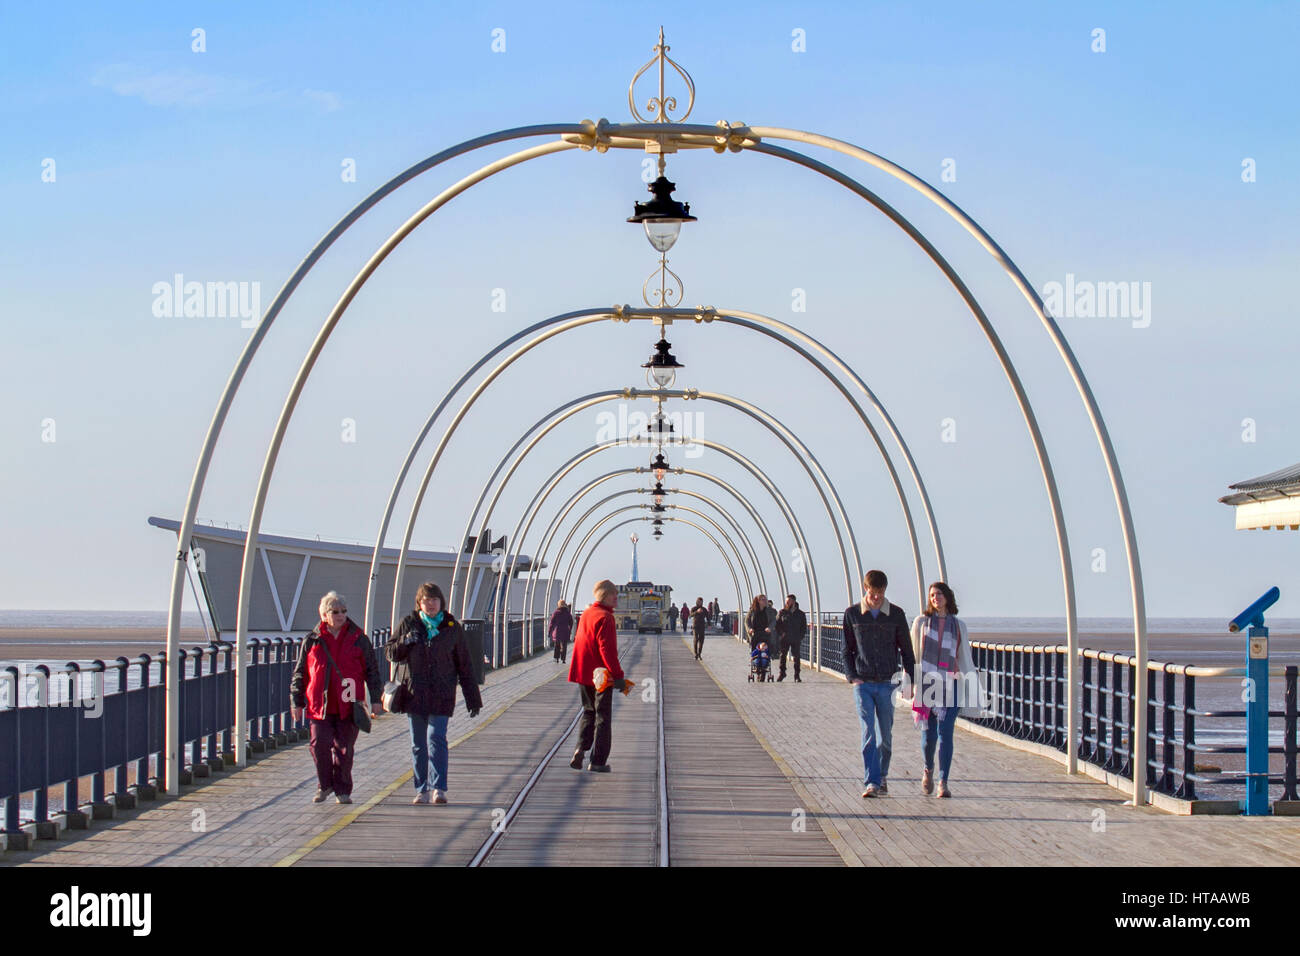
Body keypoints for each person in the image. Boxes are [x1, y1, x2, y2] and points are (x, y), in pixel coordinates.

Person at [387, 582, 482, 805]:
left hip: (442, 693)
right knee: (418, 744)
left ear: (441, 602)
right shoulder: (409, 623)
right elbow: (390, 653)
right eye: (426, 600)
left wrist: (473, 699)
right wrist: (405, 641)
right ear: (419, 603)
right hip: (414, 694)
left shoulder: (451, 627)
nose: (430, 604)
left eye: (434, 600)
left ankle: (438, 788)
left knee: (435, 738)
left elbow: (464, 664)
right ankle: (421, 789)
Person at [290, 591, 384, 805]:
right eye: (335, 612)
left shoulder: (358, 638)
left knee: (344, 749)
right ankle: (325, 785)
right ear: (324, 615)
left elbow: (372, 670)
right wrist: (296, 702)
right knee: (318, 745)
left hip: (349, 704)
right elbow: (300, 673)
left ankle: (343, 790)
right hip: (319, 705)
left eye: (343, 611)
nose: (341, 615)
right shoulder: (312, 640)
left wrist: (376, 699)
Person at [843, 570, 915, 798]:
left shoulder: (896, 614)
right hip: (863, 682)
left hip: (886, 682)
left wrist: (910, 680)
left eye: (880, 593)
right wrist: (852, 676)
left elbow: (906, 650)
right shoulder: (853, 614)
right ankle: (871, 782)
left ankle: (882, 775)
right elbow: (847, 649)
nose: (876, 598)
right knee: (868, 733)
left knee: (885, 736)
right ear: (866, 589)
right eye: (873, 593)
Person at [909, 582, 977, 799]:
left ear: (947, 597)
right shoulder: (921, 623)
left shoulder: (958, 625)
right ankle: (928, 769)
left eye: (939, 594)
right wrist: (909, 683)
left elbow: (965, 656)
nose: (935, 598)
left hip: (951, 683)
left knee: (946, 732)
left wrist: (971, 684)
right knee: (929, 737)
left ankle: (943, 782)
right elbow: (913, 654)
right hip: (927, 683)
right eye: (932, 595)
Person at [568, 579, 626, 772]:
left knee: (588, 711)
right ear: (605, 595)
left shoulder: (586, 614)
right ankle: (598, 761)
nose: (616, 598)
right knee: (603, 716)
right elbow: (607, 650)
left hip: (583, 671)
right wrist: (618, 676)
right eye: (613, 594)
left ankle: (580, 748)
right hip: (600, 674)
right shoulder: (606, 618)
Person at [776, 594, 807, 682]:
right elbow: (777, 624)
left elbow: (803, 627)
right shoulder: (782, 612)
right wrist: (781, 633)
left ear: (793, 602)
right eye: (786, 601)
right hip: (784, 638)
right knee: (783, 656)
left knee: (796, 657)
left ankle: (797, 675)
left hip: (795, 638)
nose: (787, 603)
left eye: (788, 601)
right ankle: (782, 673)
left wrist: (800, 636)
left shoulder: (800, 614)